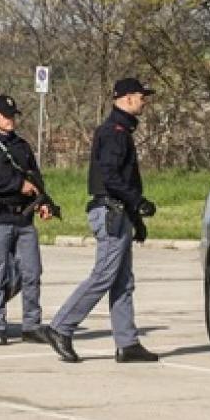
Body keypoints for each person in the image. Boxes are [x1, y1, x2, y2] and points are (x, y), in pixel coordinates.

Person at [41, 78, 158, 363]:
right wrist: (137, 202)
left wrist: (136, 220)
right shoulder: (114, 132)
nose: (145, 102)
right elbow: (111, 177)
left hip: (119, 212)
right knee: (104, 275)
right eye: (142, 97)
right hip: (111, 211)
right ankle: (61, 327)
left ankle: (127, 343)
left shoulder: (120, 131)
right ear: (128, 99)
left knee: (122, 280)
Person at [0, 94, 52, 346]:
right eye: (5, 116)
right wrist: (18, 185)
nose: (10, 120)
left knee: (31, 273)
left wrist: (44, 202)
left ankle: (31, 325)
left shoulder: (22, 146)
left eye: (13, 116)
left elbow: (36, 179)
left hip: (24, 220)